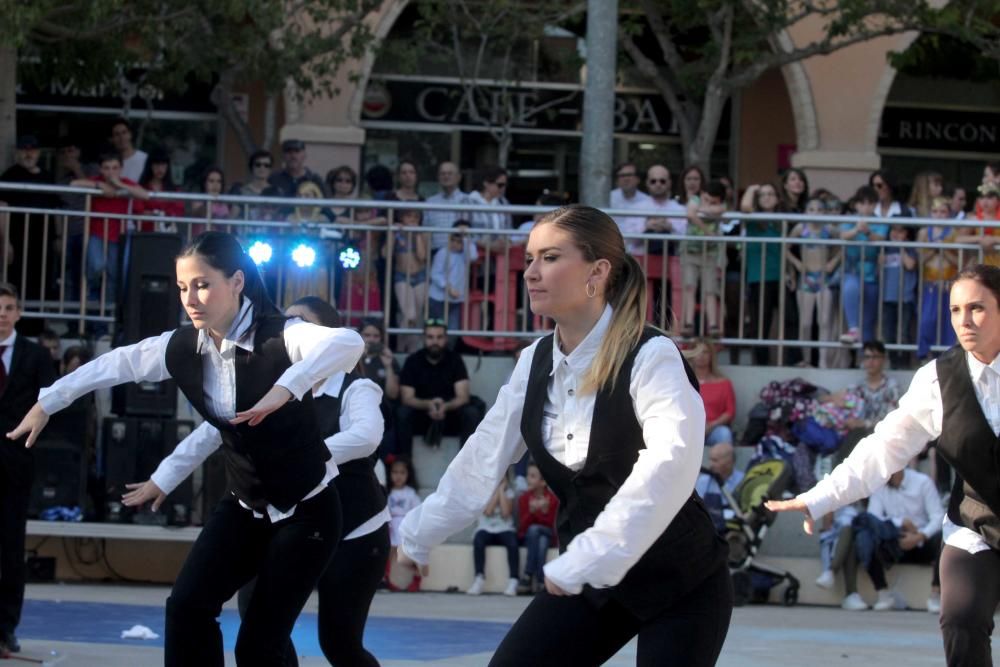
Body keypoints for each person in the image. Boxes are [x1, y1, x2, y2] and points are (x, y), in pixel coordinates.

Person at [8, 231, 364, 666]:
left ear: (236, 282)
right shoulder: (181, 347)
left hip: (308, 511)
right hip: (244, 506)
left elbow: (348, 343)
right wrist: (49, 400)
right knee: (186, 608)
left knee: (257, 645)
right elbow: (116, 363)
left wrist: (287, 387)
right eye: (182, 287)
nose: (190, 298)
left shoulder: (283, 336)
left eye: (202, 284)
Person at [399, 205, 731, 666]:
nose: (530, 273)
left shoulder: (652, 355)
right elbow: (481, 460)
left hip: (680, 579)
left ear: (597, 272)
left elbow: (668, 466)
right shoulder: (533, 362)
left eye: (550, 258)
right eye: (530, 258)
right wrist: (415, 535)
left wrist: (587, 556)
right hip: (590, 578)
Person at [767, 264, 1000, 666]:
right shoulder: (936, 380)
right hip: (975, 525)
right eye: (955, 310)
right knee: (961, 619)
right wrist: (820, 498)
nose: (964, 321)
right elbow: (881, 450)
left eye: (977, 308)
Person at [0, 284, 58, 656]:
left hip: (14, 467)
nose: (2, 314)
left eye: (9, 307)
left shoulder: (35, 355)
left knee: (9, 551)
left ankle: (5, 630)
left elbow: (50, 403)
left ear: (18, 312)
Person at [836, 465, 943, 612]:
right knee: (865, 535)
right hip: (894, 543)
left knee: (944, 539)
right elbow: (874, 519)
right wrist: (899, 524)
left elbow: (938, 517)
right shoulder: (880, 486)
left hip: (922, 541)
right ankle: (883, 593)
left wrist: (920, 536)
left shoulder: (923, 482)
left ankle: (935, 594)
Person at [69, 152, 149, 302]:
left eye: (114, 168)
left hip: (117, 237)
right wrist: (99, 186)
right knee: (96, 266)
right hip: (96, 235)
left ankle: (106, 312)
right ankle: (92, 293)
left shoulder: (126, 182)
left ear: (121, 168)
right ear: (100, 169)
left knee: (113, 274)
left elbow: (145, 195)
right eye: (106, 168)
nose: (111, 172)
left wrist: (120, 186)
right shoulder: (96, 181)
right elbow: (74, 184)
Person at [396, 320, 482, 456]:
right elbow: (407, 398)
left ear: (445, 338)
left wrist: (445, 406)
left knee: (471, 413)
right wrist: (428, 405)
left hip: (449, 415)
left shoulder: (455, 360)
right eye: (430, 337)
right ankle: (403, 464)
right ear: (424, 338)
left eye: (439, 337)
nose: (435, 341)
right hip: (422, 415)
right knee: (402, 413)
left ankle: (467, 464)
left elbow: (463, 396)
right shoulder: (413, 361)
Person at [787, 198, 839, 367]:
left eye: (819, 209)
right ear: (806, 212)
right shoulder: (801, 228)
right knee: (806, 322)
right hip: (806, 278)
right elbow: (785, 247)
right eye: (811, 209)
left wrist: (833, 262)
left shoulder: (829, 228)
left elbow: (843, 247)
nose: (815, 213)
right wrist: (796, 263)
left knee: (824, 322)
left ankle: (823, 360)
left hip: (824, 278)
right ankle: (807, 359)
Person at [467, 475, 520, 597]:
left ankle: (513, 580)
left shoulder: (509, 492)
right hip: (486, 528)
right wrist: (497, 490)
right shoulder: (482, 491)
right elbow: (488, 511)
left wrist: (501, 490)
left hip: (504, 528)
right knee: (478, 540)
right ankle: (479, 578)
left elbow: (506, 513)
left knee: (512, 543)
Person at [683, 338, 735, 446]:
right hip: (689, 429)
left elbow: (730, 411)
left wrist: (711, 425)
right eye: (698, 351)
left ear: (711, 355)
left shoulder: (724, 383)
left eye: (705, 352)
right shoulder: (683, 382)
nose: (701, 356)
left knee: (724, 434)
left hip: (713, 429)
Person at [516, 462, 559, 594]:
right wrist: (532, 512)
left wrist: (543, 512)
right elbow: (523, 526)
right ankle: (541, 580)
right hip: (530, 537)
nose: (528, 479)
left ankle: (528, 575)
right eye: (528, 475)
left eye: (533, 476)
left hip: (548, 533)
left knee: (537, 531)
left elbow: (552, 526)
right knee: (540, 539)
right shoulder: (524, 498)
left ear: (543, 482)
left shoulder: (552, 499)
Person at [428, 220, 477, 332]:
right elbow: (435, 274)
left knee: (453, 329)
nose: (455, 243)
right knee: (436, 328)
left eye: (459, 240)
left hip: (456, 300)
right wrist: (448, 288)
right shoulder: (442, 252)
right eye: (453, 239)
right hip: (438, 298)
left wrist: (465, 238)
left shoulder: (466, 253)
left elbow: (473, 256)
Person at [386, 457, 422, 591]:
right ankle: (386, 578)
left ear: (408, 474)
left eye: (402, 473)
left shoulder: (410, 493)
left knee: (411, 553)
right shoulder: (387, 493)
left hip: (406, 525)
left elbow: (418, 510)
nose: (398, 476)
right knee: (388, 552)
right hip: (391, 525)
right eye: (395, 472)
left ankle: (417, 579)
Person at [609, 162, 653, 257]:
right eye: (622, 175)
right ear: (617, 180)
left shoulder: (647, 200)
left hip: (639, 252)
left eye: (629, 175)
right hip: (612, 249)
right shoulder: (609, 199)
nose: (626, 178)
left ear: (638, 179)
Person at [425, 161, 470, 250]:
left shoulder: (468, 200)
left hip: (460, 253)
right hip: (435, 253)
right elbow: (425, 231)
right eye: (443, 174)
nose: (446, 176)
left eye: (450, 173)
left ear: (458, 177)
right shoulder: (430, 202)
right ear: (438, 177)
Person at [110, 118, 147, 182]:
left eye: (124, 133)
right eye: (117, 134)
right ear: (112, 139)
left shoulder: (145, 159)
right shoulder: (109, 164)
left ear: (130, 134)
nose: (121, 137)